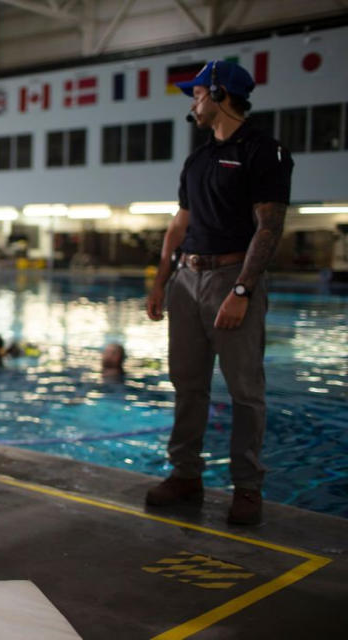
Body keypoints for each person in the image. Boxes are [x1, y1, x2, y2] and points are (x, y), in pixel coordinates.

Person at [144, 60, 293, 525]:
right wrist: (161, 278)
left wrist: (243, 290)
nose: (194, 102)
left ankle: (247, 487)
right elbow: (180, 223)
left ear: (220, 93)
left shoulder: (264, 151)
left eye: (197, 93)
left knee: (245, 389)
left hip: (232, 278)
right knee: (187, 385)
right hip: (187, 281)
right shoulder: (198, 158)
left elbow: (269, 226)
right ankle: (186, 474)